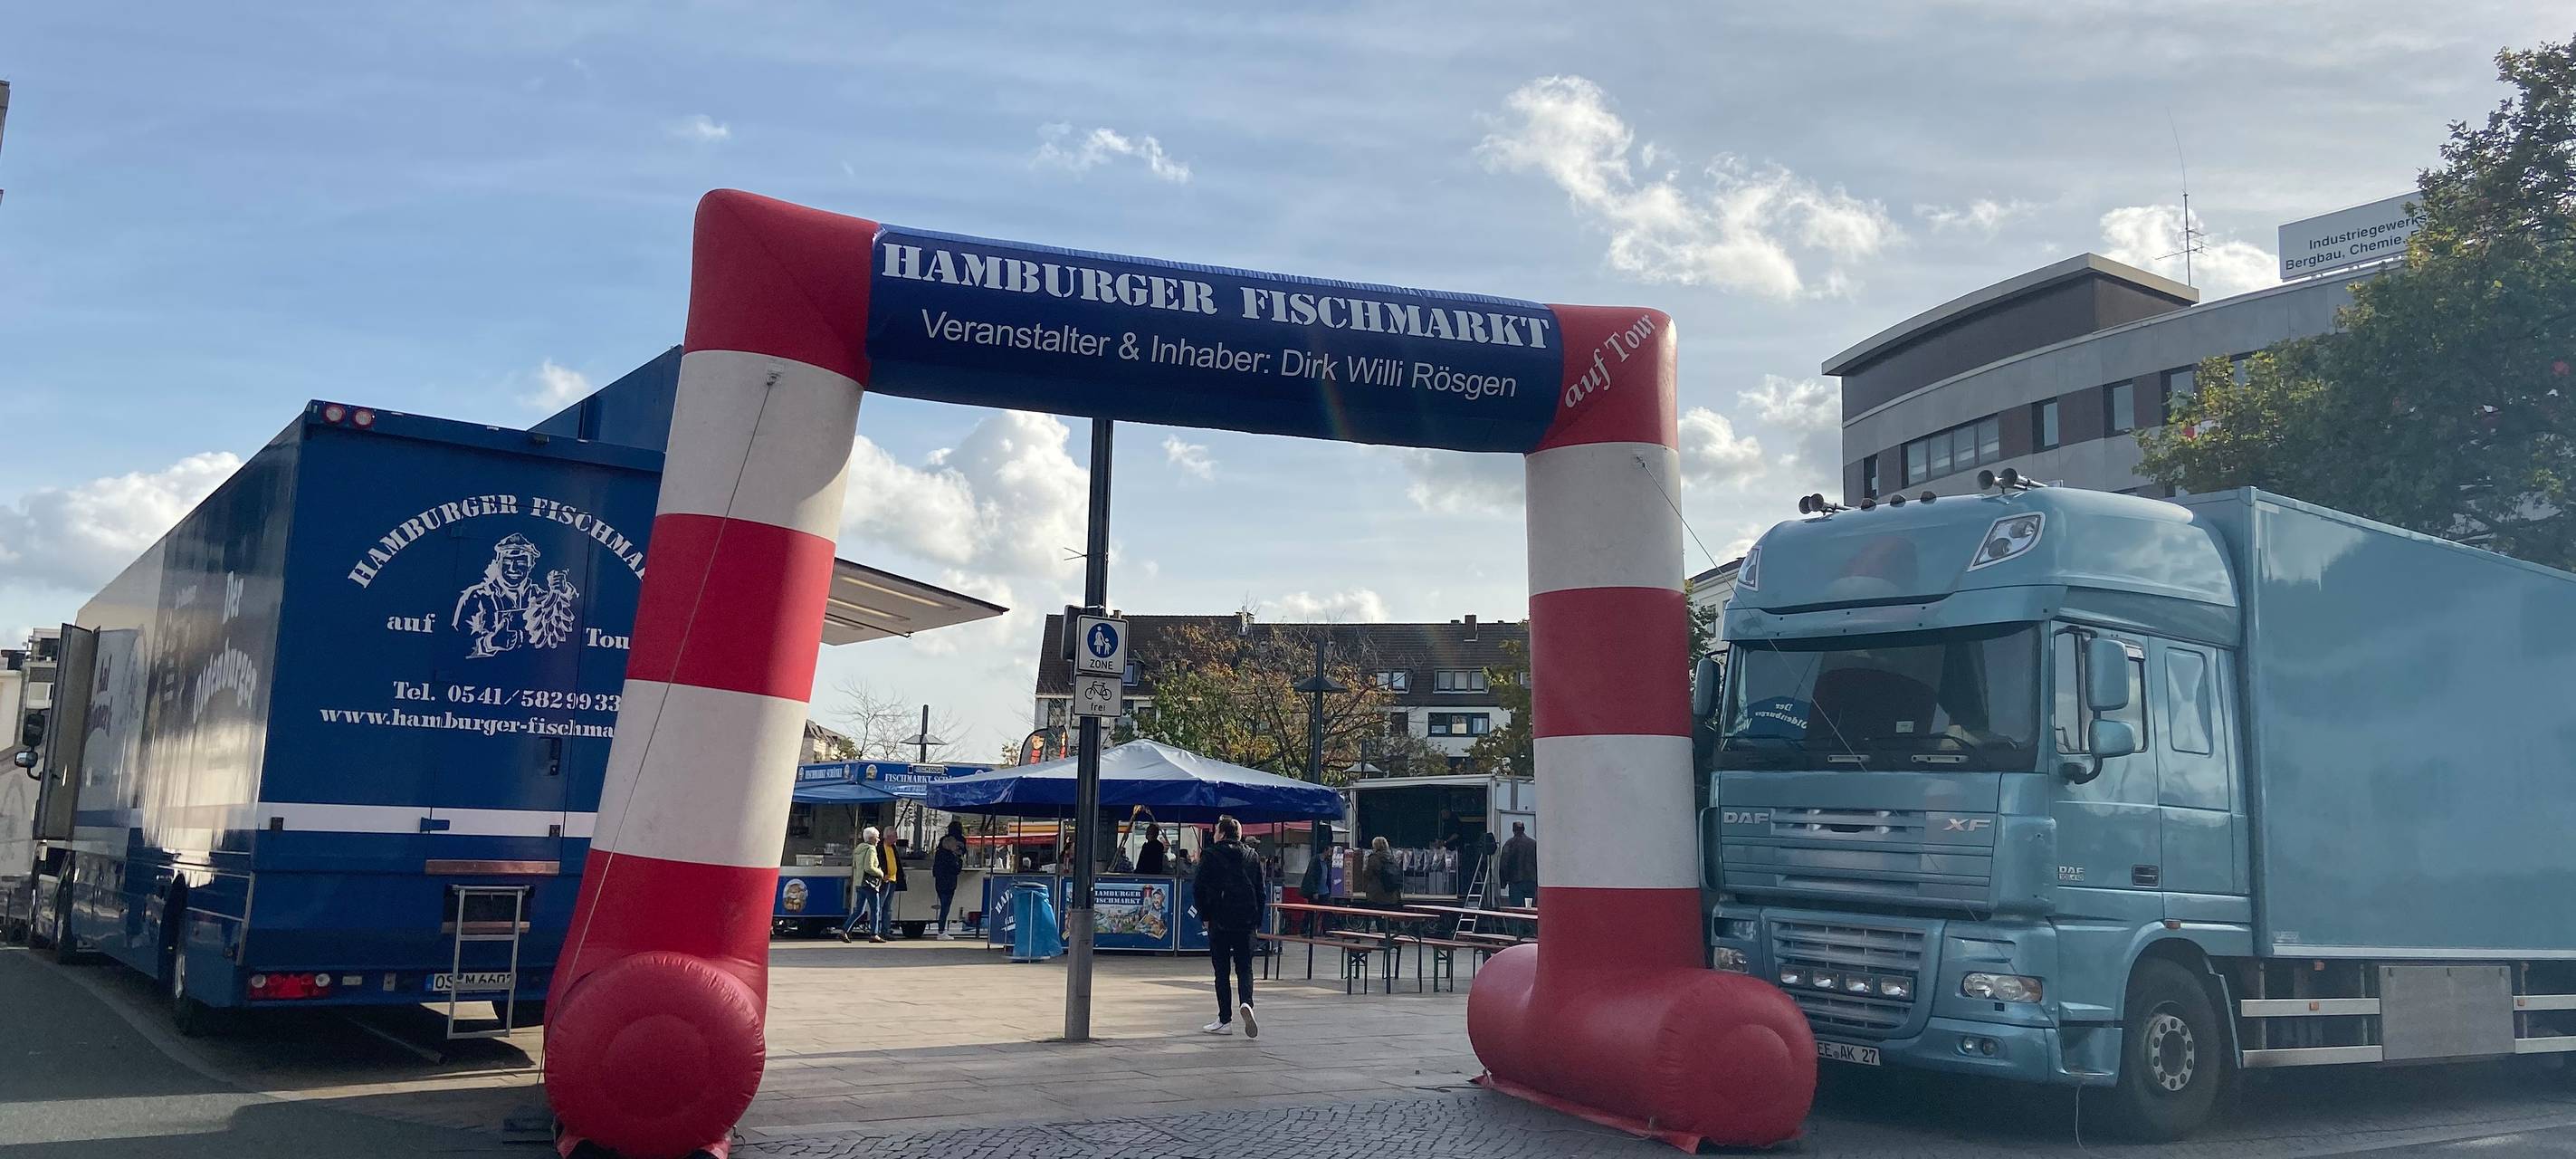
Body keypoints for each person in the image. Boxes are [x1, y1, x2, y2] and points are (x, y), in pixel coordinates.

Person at [1191, 815, 1265, 1037]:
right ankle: (1247, 1003)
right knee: (1245, 967)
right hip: (1246, 921)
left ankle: (1225, 1020)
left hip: (1219, 920)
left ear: (1221, 833)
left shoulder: (1211, 854)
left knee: (1221, 970)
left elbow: (1199, 887)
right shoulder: (1252, 856)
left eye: (1215, 831)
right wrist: (1257, 920)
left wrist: (1205, 914)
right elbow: (1260, 891)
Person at [838, 826, 889, 943]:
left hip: (859, 883)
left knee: (859, 910)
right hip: (869, 883)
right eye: (877, 837)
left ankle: (844, 930)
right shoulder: (871, 849)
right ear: (871, 838)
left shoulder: (858, 849)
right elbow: (869, 867)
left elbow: (856, 867)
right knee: (875, 909)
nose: (878, 840)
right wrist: (881, 873)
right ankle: (874, 934)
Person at [932, 819, 968, 940]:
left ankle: (941, 930)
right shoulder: (952, 857)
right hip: (949, 883)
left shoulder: (940, 852)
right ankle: (941, 931)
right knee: (945, 907)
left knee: (943, 905)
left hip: (939, 881)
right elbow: (956, 869)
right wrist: (960, 861)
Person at [1498, 821, 1537, 907]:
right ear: (1524, 829)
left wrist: (1503, 882)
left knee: (1516, 909)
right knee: (1529, 908)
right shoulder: (1533, 844)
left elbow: (1503, 864)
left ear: (1513, 830)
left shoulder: (1509, 844)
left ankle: (1518, 921)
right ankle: (1528, 920)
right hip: (1531, 881)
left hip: (1515, 882)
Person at [1360, 836, 1404, 906]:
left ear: (1375, 846)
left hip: (1377, 894)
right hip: (1393, 895)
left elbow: (1368, 874)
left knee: (1376, 915)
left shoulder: (1374, 858)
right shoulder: (1392, 858)